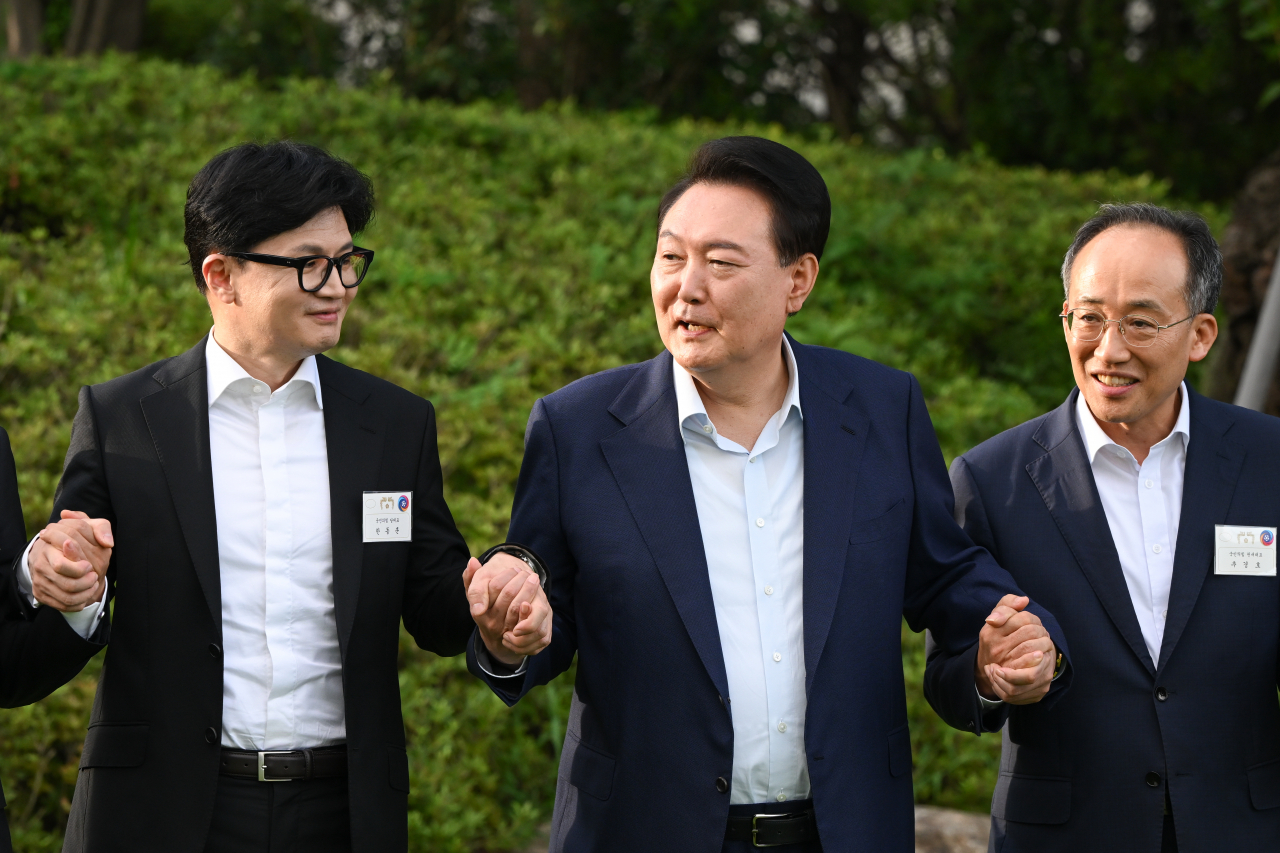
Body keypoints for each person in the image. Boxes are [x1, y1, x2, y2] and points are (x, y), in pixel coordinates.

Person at [466, 136, 1070, 852]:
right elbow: (544, 612)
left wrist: (1017, 645)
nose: (685, 286)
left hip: (841, 830)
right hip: (641, 829)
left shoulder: (880, 408)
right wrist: (511, 633)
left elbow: (946, 574)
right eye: (670, 256)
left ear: (798, 280)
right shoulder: (578, 427)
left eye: (721, 262)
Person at [16, 141, 551, 853]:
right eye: (308, 263)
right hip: (161, 812)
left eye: (347, 260)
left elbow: (435, 605)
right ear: (221, 274)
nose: (337, 285)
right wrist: (63, 580)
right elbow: (63, 601)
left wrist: (494, 607)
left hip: (342, 811)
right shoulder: (124, 421)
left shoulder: (392, 424)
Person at [924, 202, 1280, 852]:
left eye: (1140, 322)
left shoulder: (1268, 460)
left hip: (1243, 828)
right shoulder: (991, 478)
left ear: (1200, 334)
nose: (1107, 349)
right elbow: (946, 674)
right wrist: (988, 672)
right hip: (1065, 835)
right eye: (1088, 317)